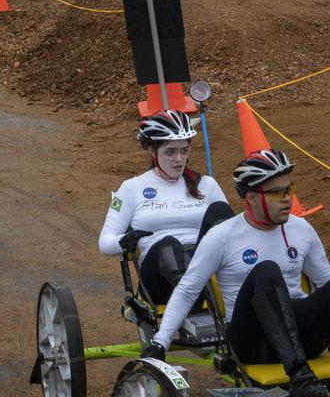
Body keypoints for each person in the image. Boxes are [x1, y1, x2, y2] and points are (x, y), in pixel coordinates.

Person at [142, 149, 330, 397]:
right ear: (250, 198)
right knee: (266, 271)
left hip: (302, 335)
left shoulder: (301, 229)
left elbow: (327, 281)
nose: (287, 198)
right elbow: (188, 290)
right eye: (276, 193)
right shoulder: (223, 236)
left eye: (289, 189)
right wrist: (160, 343)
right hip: (252, 340)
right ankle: (299, 376)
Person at [98, 110, 234, 303]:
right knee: (168, 245)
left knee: (220, 211)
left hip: (203, 267)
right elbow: (104, 243)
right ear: (153, 152)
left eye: (184, 150)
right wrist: (123, 241)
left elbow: (233, 233)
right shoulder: (130, 188)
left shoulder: (207, 184)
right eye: (170, 151)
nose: (179, 159)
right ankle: (191, 293)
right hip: (159, 279)